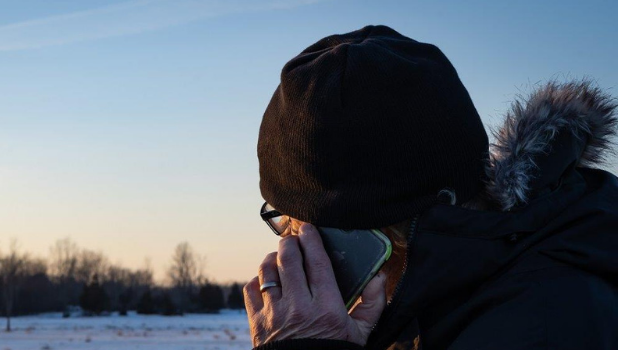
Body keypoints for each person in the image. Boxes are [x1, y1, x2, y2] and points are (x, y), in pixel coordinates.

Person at [244, 25, 618, 350]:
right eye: (285, 222)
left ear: (389, 234)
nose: (290, 250)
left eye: (311, 233)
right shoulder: (429, 301)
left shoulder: (541, 323)